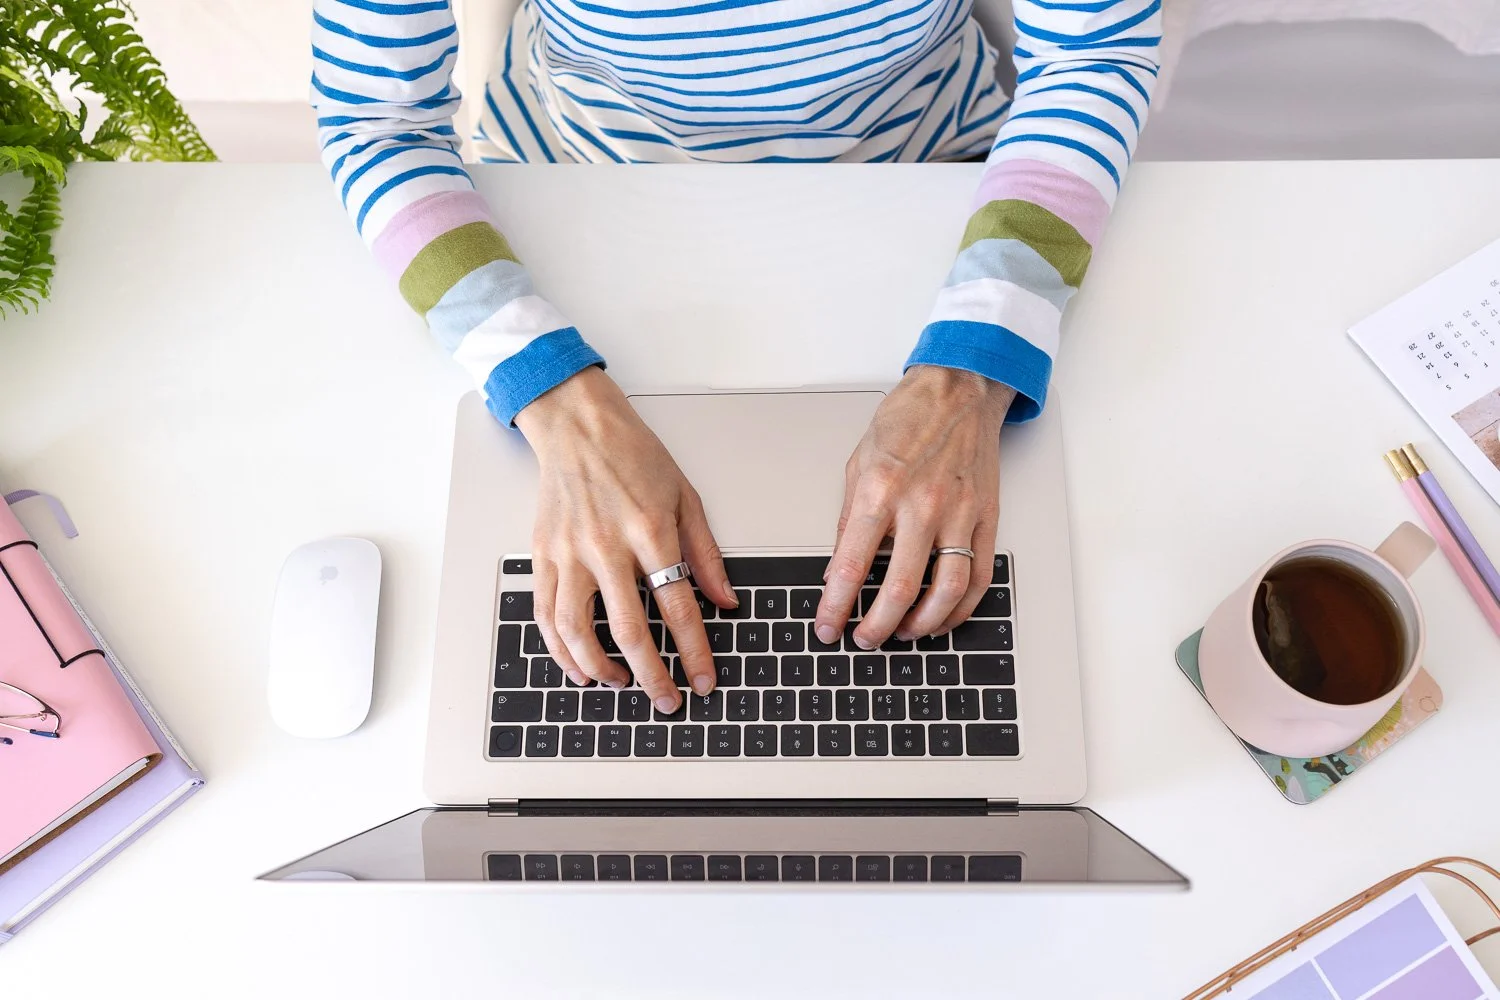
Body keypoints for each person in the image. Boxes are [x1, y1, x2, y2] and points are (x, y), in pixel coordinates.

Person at [310, 0, 1160, 714]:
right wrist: (552, 395)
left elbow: (1098, 53)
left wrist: (973, 369)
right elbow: (371, 118)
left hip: (935, 192)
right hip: (576, 200)